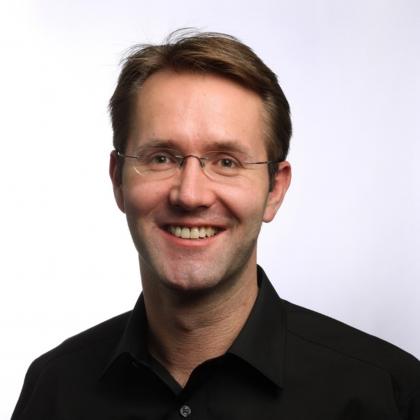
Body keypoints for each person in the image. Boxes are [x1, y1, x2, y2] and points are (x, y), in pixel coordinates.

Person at [12, 30, 420, 420]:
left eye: (227, 162)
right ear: (118, 178)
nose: (190, 195)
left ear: (274, 189)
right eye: (162, 158)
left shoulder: (387, 395)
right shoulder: (54, 390)